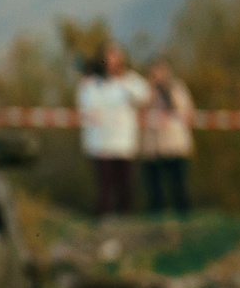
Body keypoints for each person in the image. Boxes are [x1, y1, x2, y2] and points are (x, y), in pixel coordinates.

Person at [76, 42, 149, 219]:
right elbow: (85, 104)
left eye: (115, 57)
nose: (111, 61)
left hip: (123, 141)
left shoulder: (130, 80)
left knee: (125, 182)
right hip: (100, 142)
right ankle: (105, 217)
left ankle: (126, 217)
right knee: (104, 183)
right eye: (108, 57)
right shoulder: (92, 83)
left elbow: (144, 96)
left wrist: (124, 81)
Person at [139, 57, 194, 219]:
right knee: (154, 185)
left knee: (178, 183)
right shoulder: (146, 89)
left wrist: (166, 91)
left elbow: (184, 110)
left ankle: (183, 213)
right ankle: (156, 214)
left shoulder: (177, 88)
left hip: (174, 144)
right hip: (153, 145)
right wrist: (151, 92)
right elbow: (141, 109)